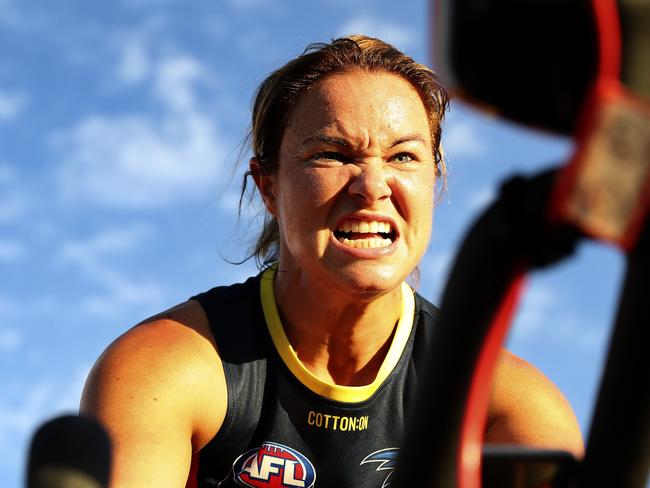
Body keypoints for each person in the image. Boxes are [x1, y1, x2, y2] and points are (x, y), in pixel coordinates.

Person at [80, 35, 584, 488]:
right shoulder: (164, 368)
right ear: (269, 188)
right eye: (332, 154)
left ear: (436, 180)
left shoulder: (509, 404)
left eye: (404, 157)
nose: (372, 186)